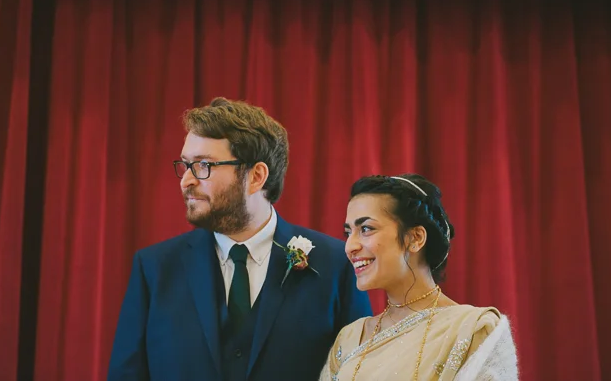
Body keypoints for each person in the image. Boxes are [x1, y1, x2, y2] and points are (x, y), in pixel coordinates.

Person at [108, 97, 372, 381]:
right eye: (185, 165)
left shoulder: (335, 265)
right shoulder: (154, 269)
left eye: (204, 165)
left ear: (256, 176)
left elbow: (360, 373)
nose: (186, 181)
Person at [320, 174, 518, 381]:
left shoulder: (473, 330)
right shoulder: (349, 338)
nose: (350, 246)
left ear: (415, 238)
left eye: (366, 229)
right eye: (348, 233)